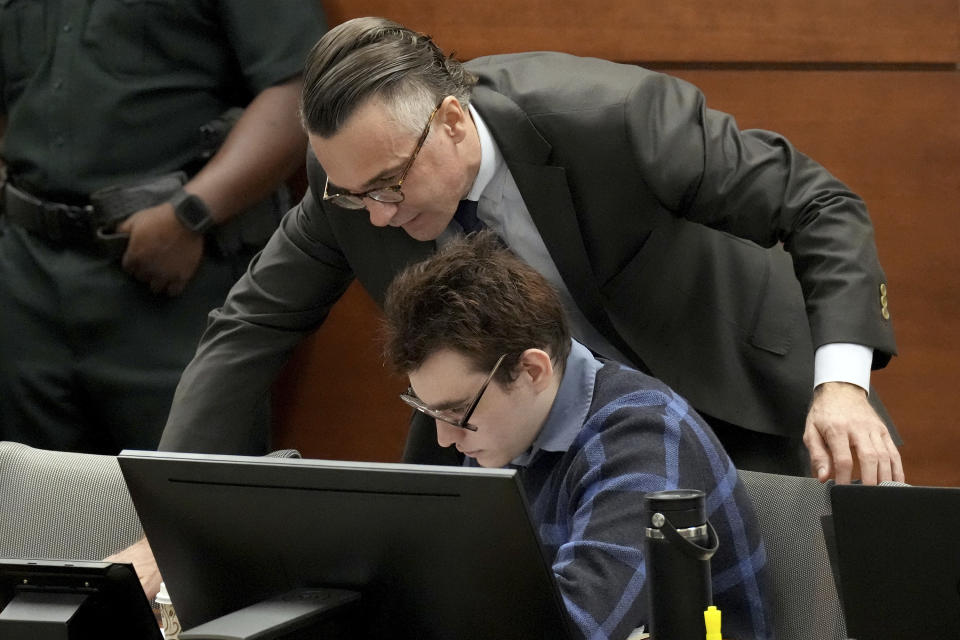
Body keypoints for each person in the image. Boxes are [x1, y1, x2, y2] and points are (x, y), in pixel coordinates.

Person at [158, 16, 902, 486]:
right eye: (357, 197)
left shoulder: (614, 118)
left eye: (390, 183)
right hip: (520, 439)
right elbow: (248, 329)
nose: (376, 216)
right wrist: (174, 510)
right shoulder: (347, 185)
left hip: (730, 395)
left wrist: (841, 384)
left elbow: (821, 204)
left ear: (452, 120)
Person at [381, 231, 773, 640]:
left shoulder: (645, 437)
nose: (444, 438)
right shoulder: (500, 431)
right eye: (430, 411)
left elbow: (578, 626)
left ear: (533, 370)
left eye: (458, 411)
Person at [0, 1, 326, 453]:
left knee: (190, 498)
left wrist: (190, 213)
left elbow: (301, 87)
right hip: (25, 281)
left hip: (175, 277)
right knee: (33, 505)